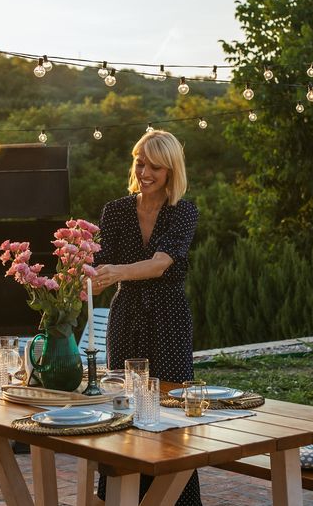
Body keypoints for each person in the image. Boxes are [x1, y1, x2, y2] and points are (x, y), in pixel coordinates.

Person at [92, 130, 201, 505]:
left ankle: (174, 500)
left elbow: (159, 265)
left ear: (171, 170)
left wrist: (115, 273)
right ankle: (118, 499)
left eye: (155, 166)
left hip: (168, 319)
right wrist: (76, 280)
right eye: (141, 162)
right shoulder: (116, 210)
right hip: (125, 318)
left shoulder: (183, 211)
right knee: (122, 408)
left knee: (171, 416)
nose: (146, 172)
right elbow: (96, 271)